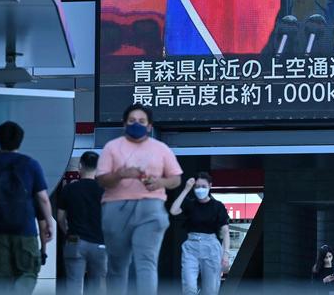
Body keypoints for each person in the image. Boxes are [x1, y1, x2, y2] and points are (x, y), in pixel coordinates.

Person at [96, 104, 183, 295]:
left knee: (146, 261)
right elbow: (102, 180)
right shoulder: (112, 147)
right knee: (117, 264)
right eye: (132, 121)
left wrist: (159, 182)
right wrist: (121, 174)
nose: (137, 124)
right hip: (116, 206)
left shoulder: (161, 148)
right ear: (124, 124)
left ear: (150, 126)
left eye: (142, 121)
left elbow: (176, 179)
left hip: (150, 207)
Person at [0, 121, 53, 294]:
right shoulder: (30, 164)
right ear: (21, 140)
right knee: (27, 273)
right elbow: (43, 198)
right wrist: (49, 222)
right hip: (24, 230)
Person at [170, 172, 230, 295]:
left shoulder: (217, 206)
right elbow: (174, 210)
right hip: (191, 245)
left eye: (203, 186)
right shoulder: (190, 204)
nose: (200, 189)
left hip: (211, 246)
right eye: (197, 187)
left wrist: (226, 254)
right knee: (189, 286)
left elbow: (225, 231)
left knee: (211, 289)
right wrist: (186, 189)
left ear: (210, 186)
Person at [57, 151, 107, 295]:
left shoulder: (69, 189)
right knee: (98, 285)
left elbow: (60, 217)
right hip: (99, 242)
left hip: (74, 240)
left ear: (80, 166)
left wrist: (68, 233)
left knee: (73, 283)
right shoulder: (104, 191)